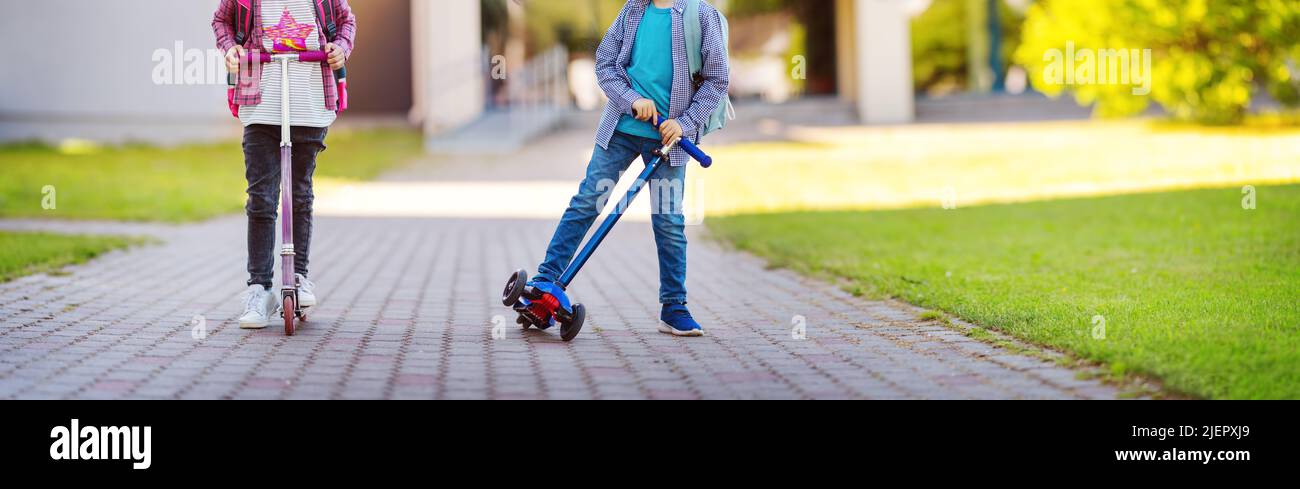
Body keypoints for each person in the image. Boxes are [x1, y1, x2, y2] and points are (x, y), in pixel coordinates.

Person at [528, 0, 729, 337]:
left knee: (668, 221)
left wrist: (685, 122)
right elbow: (606, 65)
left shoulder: (701, 16)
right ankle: (546, 279)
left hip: (669, 143)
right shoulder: (633, 10)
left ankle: (674, 306)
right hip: (621, 131)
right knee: (588, 201)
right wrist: (632, 99)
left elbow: (717, 80)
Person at [212, 0, 355, 328]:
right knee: (261, 199)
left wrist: (340, 47)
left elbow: (346, 21)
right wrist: (230, 47)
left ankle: (300, 276)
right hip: (260, 101)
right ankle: (260, 288)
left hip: (310, 100)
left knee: (300, 194)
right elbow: (222, 20)